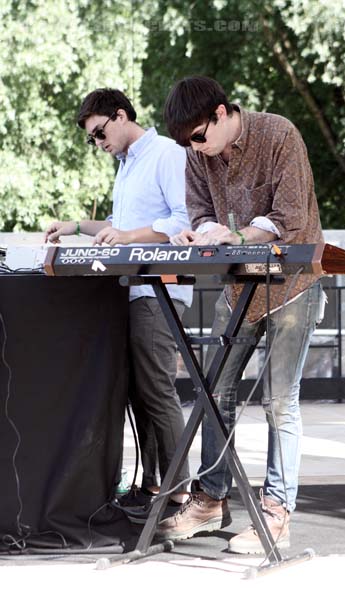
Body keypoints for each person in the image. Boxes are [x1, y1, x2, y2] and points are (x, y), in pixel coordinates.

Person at [157, 75, 326, 553]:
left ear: (223, 113)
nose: (195, 148)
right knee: (213, 390)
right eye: (185, 141)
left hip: (293, 287)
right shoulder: (196, 154)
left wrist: (240, 236)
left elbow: (291, 218)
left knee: (278, 401)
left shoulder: (280, 134)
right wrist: (204, 232)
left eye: (198, 136)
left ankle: (277, 512)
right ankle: (211, 499)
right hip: (240, 291)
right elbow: (198, 211)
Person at [45, 88, 192, 508]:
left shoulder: (166, 153)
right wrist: (74, 226)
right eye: (92, 138)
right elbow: (117, 225)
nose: (98, 144)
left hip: (159, 289)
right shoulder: (126, 166)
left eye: (99, 133)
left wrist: (126, 236)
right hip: (128, 290)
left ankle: (179, 491)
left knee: (157, 389)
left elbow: (181, 221)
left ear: (122, 115)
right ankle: (150, 485)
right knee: (136, 391)